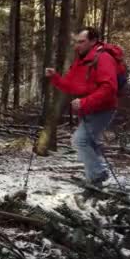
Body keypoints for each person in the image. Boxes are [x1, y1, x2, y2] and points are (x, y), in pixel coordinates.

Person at [45, 27, 118, 187]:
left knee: (80, 140)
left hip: (103, 108)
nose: (77, 45)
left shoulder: (104, 58)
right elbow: (71, 86)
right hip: (89, 109)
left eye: (82, 41)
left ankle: (98, 176)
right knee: (89, 142)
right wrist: (55, 77)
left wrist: (85, 102)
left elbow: (109, 88)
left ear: (93, 41)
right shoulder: (81, 60)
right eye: (76, 42)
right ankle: (97, 179)